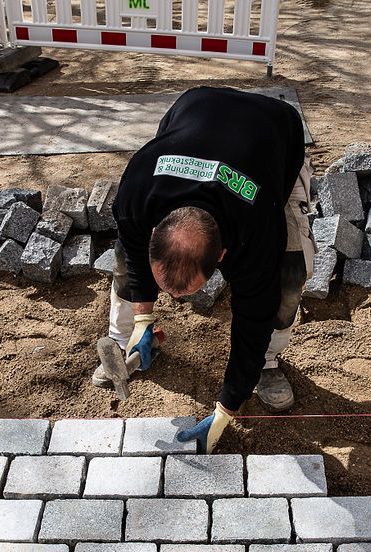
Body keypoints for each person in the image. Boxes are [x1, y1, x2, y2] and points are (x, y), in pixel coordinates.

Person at [93, 86, 315, 453]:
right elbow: (134, 254)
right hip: (197, 108)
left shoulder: (256, 232)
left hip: (274, 135)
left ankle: (268, 363)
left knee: (290, 273)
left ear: (224, 255)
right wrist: (145, 320)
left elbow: (252, 318)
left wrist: (227, 408)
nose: (178, 300)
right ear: (153, 232)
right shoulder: (137, 192)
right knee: (121, 259)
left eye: (188, 290)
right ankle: (124, 339)